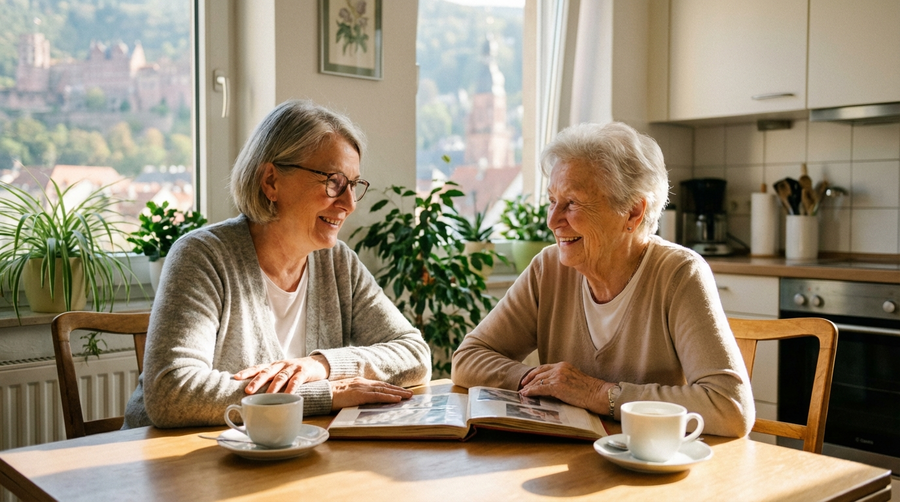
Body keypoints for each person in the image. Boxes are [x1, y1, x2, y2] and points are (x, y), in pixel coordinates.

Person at [124, 100, 432, 428]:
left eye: (354, 185)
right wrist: (324, 394)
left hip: (279, 456)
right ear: (271, 181)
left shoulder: (338, 262)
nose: (349, 203)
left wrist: (322, 366)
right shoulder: (202, 256)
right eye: (334, 182)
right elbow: (172, 394)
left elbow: (415, 356)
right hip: (172, 464)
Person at [451, 122, 754, 437]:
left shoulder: (678, 274)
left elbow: (730, 407)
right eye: (552, 201)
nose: (552, 220)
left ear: (633, 212)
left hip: (647, 465)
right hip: (564, 463)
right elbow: (468, 359)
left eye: (572, 203)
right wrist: (545, 382)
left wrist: (597, 394)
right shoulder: (548, 269)